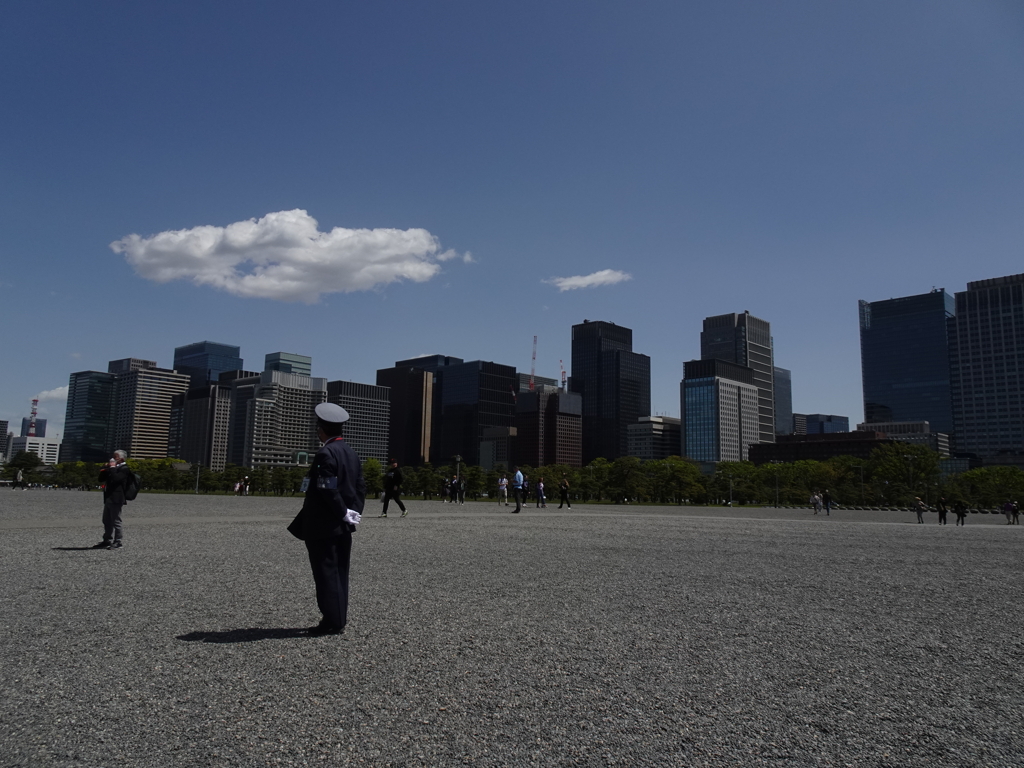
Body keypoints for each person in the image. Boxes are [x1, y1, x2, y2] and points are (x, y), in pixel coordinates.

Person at [289, 403, 365, 636]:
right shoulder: (350, 452)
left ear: (321, 429)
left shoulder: (325, 453)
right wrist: (352, 513)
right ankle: (338, 616)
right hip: (343, 524)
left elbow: (327, 489)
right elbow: (360, 486)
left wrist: (341, 511)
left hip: (324, 524)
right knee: (340, 570)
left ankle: (332, 620)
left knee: (325, 572)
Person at [93, 450, 131, 550]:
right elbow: (101, 479)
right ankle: (107, 540)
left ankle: (118, 541)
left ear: (122, 459)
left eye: (116, 457)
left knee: (116, 520)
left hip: (117, 498)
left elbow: (116, 479)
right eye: (113, 457)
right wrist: (105, 468)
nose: (113, 459)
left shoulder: (124, 469)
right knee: (106, 520)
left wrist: (113, 468)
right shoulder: (112, 468)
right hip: (109, 497)